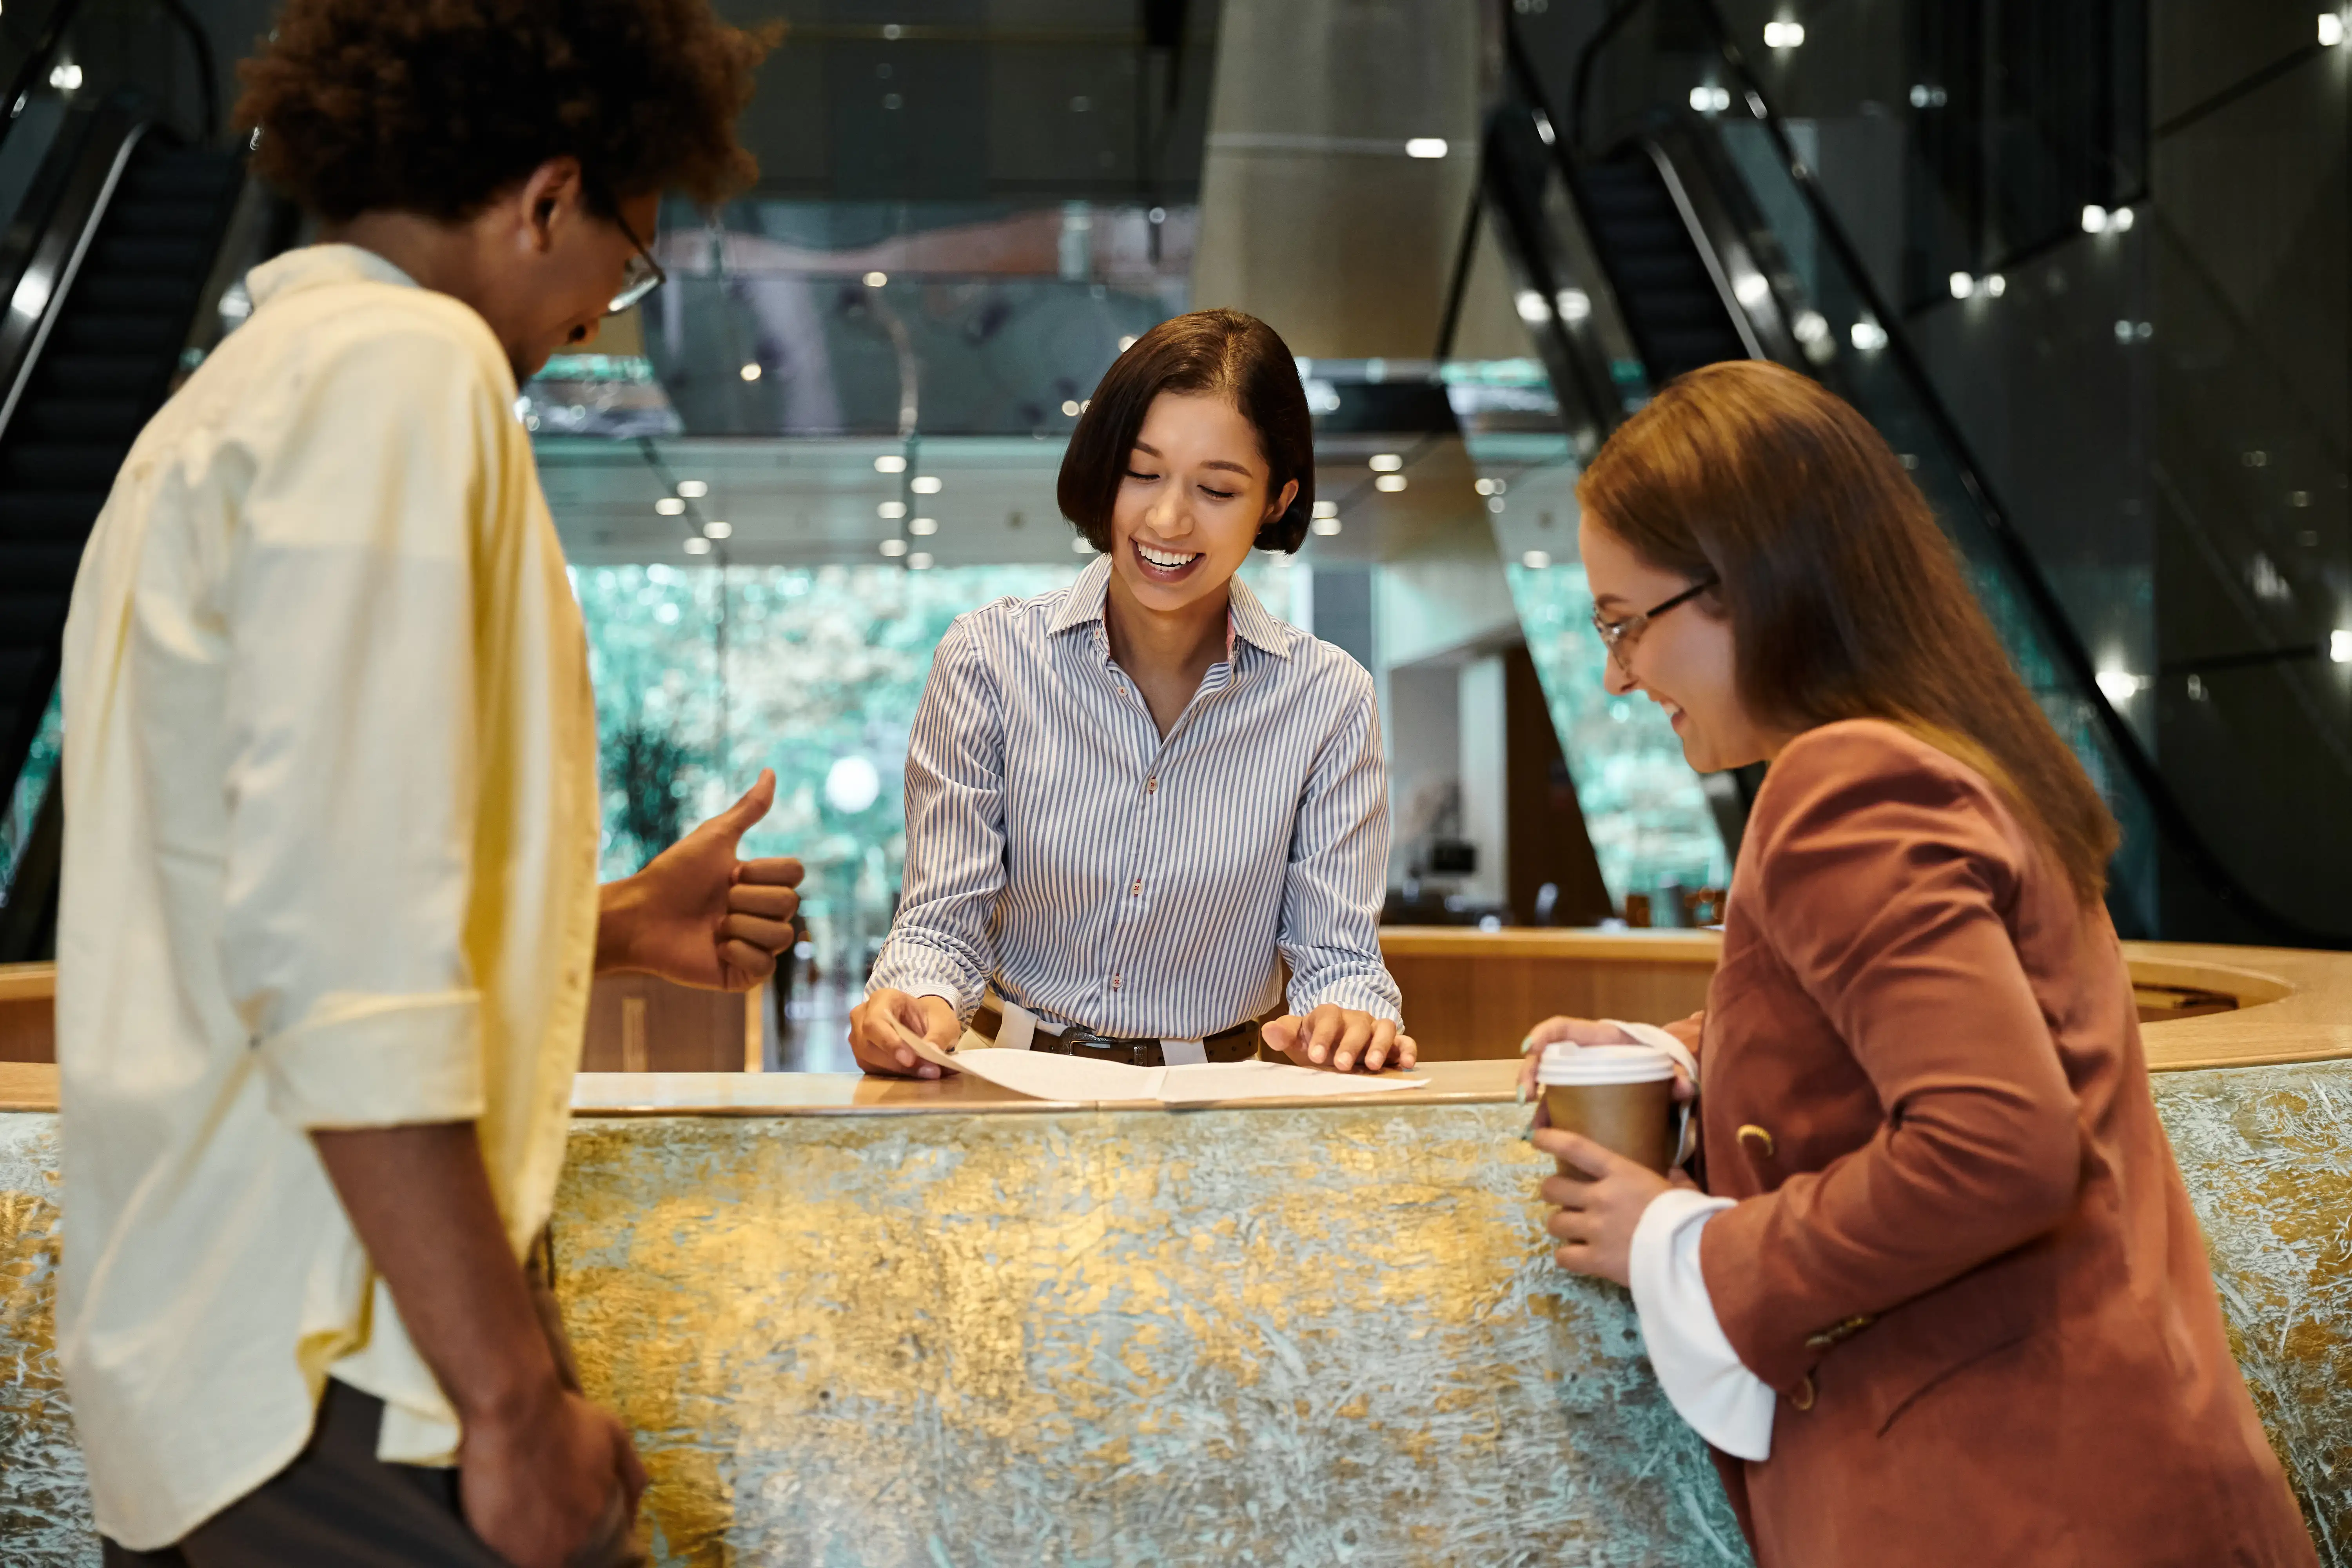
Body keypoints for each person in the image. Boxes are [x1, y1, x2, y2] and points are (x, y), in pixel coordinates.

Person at [54, 4, 793, 1565]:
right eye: (627, 257)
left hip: (228, 1363)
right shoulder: (406, 370)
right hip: (336, 1371)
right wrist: (513, 1402)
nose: (600, 315)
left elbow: (258, 890)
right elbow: (338, 961)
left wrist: (597, 921)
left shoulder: (217, 410)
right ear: (545, 197)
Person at [1517, 360, 2316, 1566]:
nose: (1621, 676)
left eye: (1626, 622)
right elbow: (1915, 1014)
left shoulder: (1841, 782)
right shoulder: (1959, 748)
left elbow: (1998, 1142)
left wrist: (1678, 1243)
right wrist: (1676, 1054)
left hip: (2008, 1504)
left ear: (1753, 583)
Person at [849, 310, 1413, 1078]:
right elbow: (942, 924)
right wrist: (914, 1003)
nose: (1167, 519)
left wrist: (1351, 1017)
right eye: (1142, 473)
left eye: (1217, 488)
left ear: (1277, 500)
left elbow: (1339, 957)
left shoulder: (1329, 699)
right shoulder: (989, 658)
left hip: (1222, 1105)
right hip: (1011, 1086)